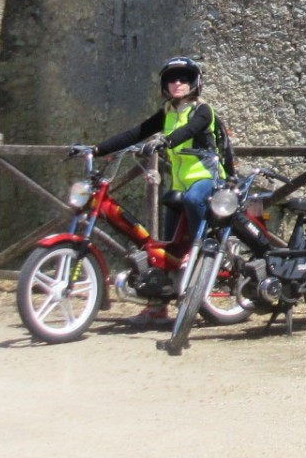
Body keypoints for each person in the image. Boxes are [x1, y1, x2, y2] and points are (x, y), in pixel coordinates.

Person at [91, 57, 227, 318]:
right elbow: (135, 132)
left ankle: (203, 248)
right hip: (179, 184)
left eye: (184, 78)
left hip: (206, 179)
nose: (177, 83)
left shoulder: (202, 110)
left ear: (194, 83)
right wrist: (97, 149)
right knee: (164, 249)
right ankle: (158, 305)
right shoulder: (166, 112)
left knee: (193, 199)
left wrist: (165, 140)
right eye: (172, 78)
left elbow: (190, 130)